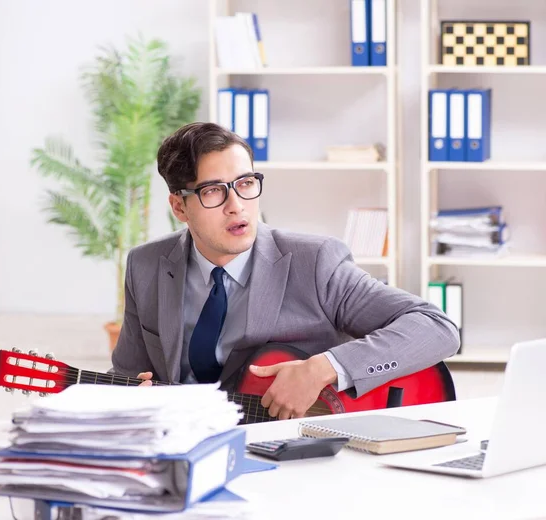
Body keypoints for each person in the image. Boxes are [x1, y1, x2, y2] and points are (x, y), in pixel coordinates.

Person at [111, 122, 460, 420]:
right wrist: (131, 398)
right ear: (179, 207)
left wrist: (324, 368)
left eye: (245, 183)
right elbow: (127, 375)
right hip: (184, 438)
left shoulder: (315, 261)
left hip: (297, 448)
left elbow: (437, 327)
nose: (237, 207)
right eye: (214, 191)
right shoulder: (146, 266)